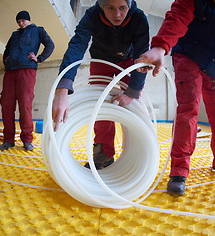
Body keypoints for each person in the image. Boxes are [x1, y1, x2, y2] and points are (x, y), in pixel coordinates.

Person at [135, 0, 215, 195]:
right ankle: (179, 171)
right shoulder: (192, 1)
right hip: (188, 59)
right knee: (188, 110)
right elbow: (176, 20)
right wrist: (160, 47)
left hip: (214, 70)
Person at [52, 0, 149, 169]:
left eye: (122, 8)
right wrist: (62, 89)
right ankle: (104, 153)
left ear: (129, 5)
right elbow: (77, 46)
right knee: (100, 105)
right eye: (110, 8)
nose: (117, 14)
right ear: (101, 6)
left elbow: (142, 55)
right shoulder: (91, 15)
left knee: (134, 106)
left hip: (129, 62)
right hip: (101, 61)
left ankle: (138, 153)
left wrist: (132, 93)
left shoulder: (139, 17)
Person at [0, 10, 55, 151]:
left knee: (25, 104)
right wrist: (6, 61)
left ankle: (27, 140)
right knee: (6, 105)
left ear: (28, 20)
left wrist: (40, 58)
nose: (21, 23)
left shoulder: (38, 31)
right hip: (10, 71)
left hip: (27, 70)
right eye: (18, 21)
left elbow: (50, 45)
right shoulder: (14, 34)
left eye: (23, 20)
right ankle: (8, 140)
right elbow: (7, 50)